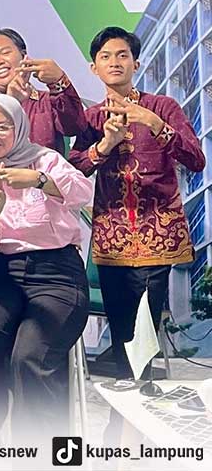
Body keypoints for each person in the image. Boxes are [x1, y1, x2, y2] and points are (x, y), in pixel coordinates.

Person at [68, 27, 205, 380]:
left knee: (144, 329)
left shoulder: (163, 107)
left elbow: (196, 159)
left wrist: (156, 124)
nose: (114, 62)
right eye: (106, 56)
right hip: (112, 239)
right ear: (94, 67)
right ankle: (127, 398)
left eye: (122, 55)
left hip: (157, 236)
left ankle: (141, 393)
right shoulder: (91, 118)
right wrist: (104, 146)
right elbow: (74, 168)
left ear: (136, 64)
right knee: (120, 329)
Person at [0, 94, 92, 441]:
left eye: (2, 127)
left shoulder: (45, 159)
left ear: (18, 129)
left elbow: (84, 193)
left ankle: (41, 449)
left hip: (58, 272)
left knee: (29, 358)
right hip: (6, 273)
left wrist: (38, 180)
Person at [0, 28, 86, 153]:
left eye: (5, 53)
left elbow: (75, 127)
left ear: (24, 56)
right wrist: (10, 101)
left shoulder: (48, 102)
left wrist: (59, 81)